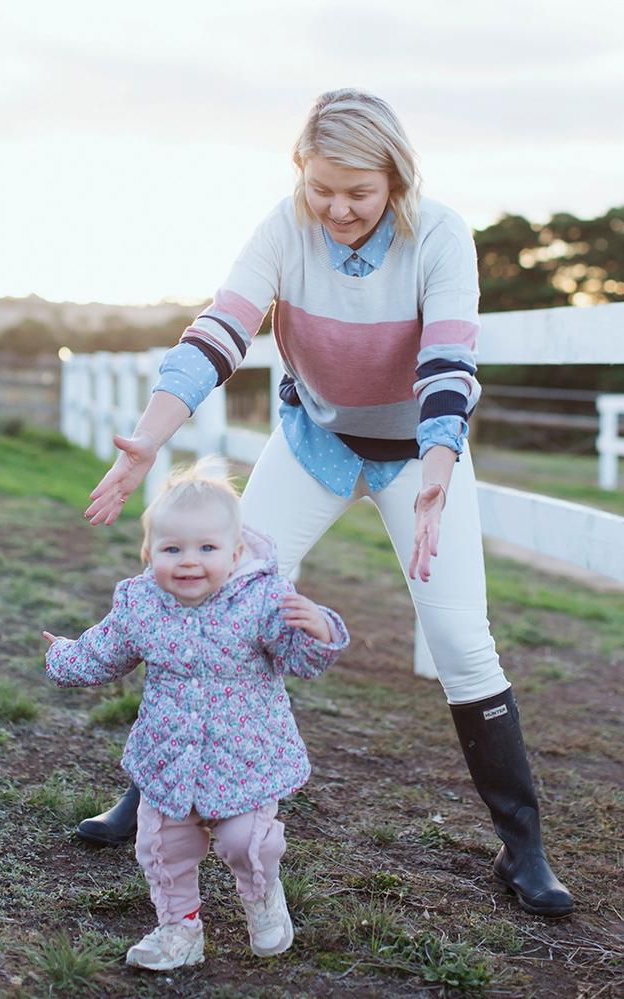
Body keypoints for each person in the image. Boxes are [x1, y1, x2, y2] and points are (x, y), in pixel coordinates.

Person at [79, 88, 573, 918]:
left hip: (421, 452)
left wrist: (440, 472)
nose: (338, 208)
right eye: (322, 190)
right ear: (301, 176)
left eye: (360, 192)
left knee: (460, 637)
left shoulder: (441, 236)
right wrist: (150, 434)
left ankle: (523, 848)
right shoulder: (284, 226)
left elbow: (449, 362)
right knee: (217, 594)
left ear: (397, 181)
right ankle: (153, 794)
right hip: (315, 440)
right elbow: (220, 330)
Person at [43, 463, 349, 970]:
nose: (189, 562)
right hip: (168, 759)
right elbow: (106, 651)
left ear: (233, 554)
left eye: (206, 549)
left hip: (245, 757)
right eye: (172, 549)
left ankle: (262, 898)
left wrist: (319, 630)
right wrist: (63, 655)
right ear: (150, 554)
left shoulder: (263, 600)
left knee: (247, 842)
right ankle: (179, 929)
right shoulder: (142, 604)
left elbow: (299, 658)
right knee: (164, 848)